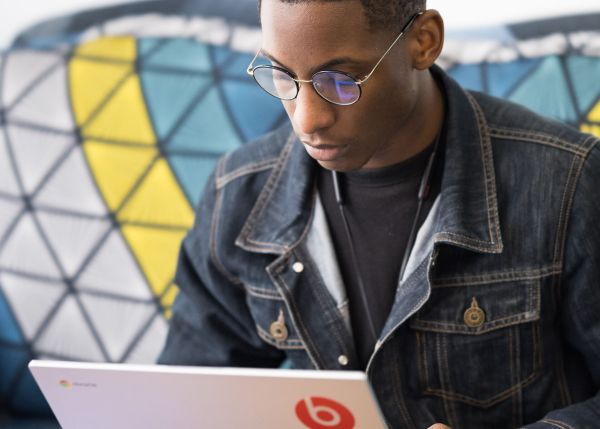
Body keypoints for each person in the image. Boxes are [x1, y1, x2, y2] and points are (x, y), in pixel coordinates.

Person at [158, 0, 600, 427]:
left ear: (423, 42)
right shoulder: (238, 194)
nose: (306, 121)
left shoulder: (568, 183)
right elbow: (189, 395)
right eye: (282, 75)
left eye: (340, 80)